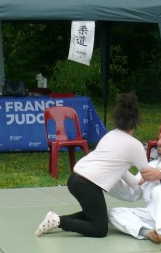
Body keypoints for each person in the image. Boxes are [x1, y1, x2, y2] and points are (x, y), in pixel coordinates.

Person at [34, 93, 150, 238]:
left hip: (75, 178)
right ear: (136, 123)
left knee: (95, 214)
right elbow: (147, 174)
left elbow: (132, 182)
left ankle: (55, 219)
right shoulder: (135, 145)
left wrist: (140, 181)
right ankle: (59, 221)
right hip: (87, 184)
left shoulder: (110, 135)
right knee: (100, 229)